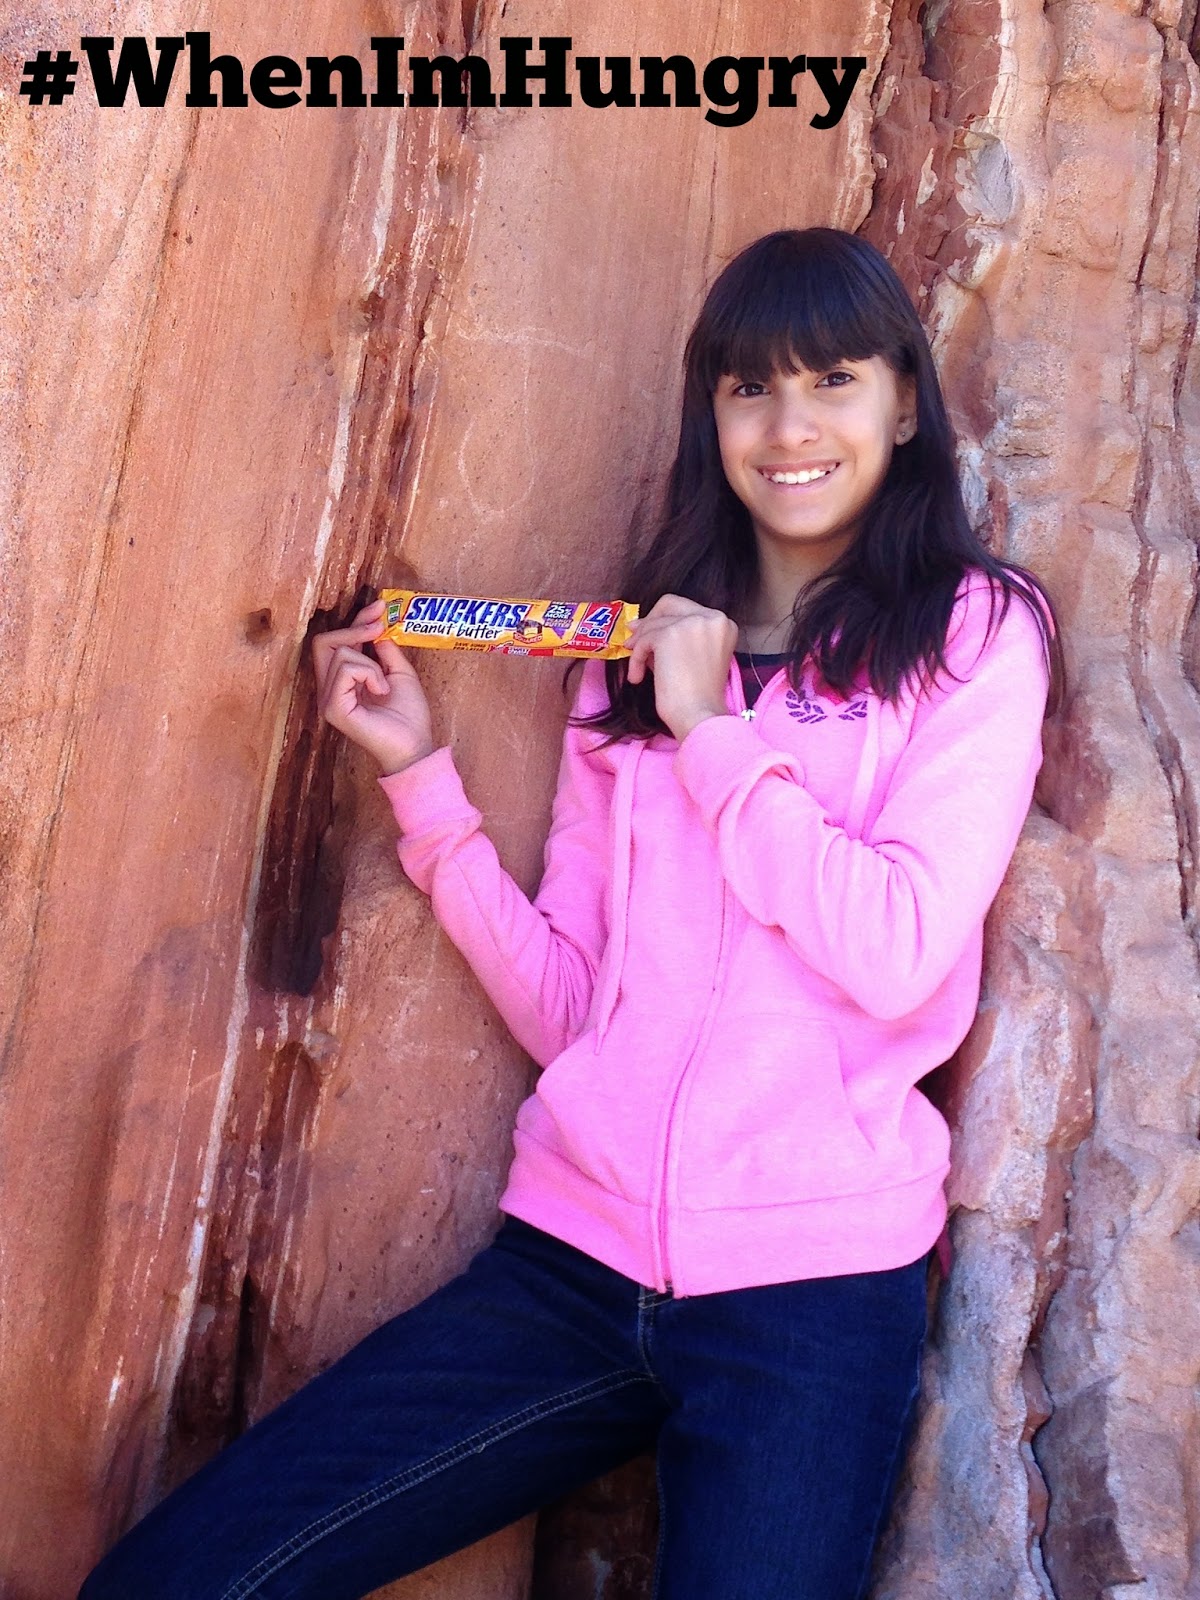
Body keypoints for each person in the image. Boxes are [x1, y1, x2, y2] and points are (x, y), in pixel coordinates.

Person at [79, 228, 1061, 1600]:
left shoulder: (972, 634)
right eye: (750, 388)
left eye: (834, 381)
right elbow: (573, 1012)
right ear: (710, 414)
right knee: (181, 1578)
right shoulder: (621, 657)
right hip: (573, 1264)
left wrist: (714, 731)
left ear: (905, 404)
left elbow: (896, 949)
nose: (790, 428)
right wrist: (424, 784)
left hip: (814, 1294)